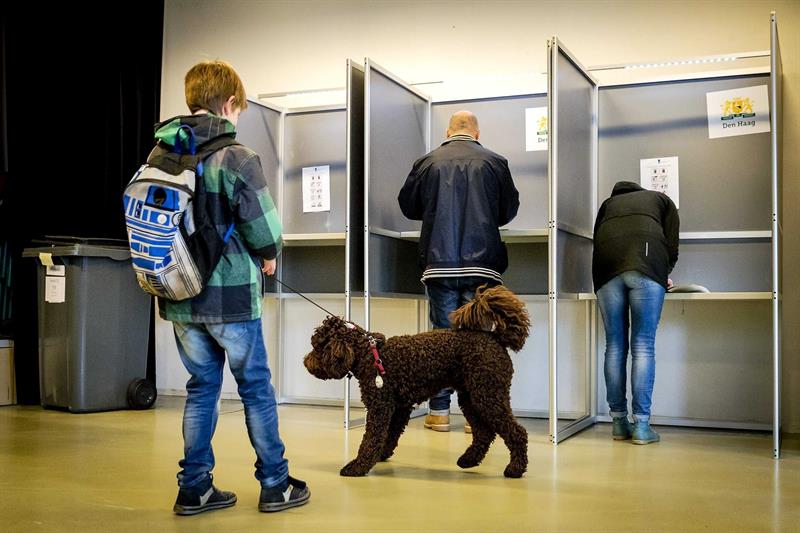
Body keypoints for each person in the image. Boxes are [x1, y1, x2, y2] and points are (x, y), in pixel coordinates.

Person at [156, 60, 309, 515]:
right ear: (228, 104)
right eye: (239, 109)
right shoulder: (237, 156)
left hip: (179, 294)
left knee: (201, 388)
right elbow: (265, 231)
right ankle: (276, 483)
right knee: (255, 388)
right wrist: (267, 253)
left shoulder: (162, 155)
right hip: (232, 297)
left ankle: (195, 487)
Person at [398, 111, 520, 433]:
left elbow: (408, 207)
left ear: (447, 131)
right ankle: (475, 415)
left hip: (439, 262)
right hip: (483, 264)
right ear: (477, 133)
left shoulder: (427, 162)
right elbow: (508, 211)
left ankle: (439, 412)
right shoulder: (495, 163)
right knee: (477, 340)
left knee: (442, 337)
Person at [592, 181, 679, 445]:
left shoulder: (607, 205)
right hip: (647, 265)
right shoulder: (661, 199)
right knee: (643, 346)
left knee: (615, 346)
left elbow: (597, 241)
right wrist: (664, 273)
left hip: (606, 271)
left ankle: (618, 423)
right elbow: (671, 243)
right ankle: (642, 426)